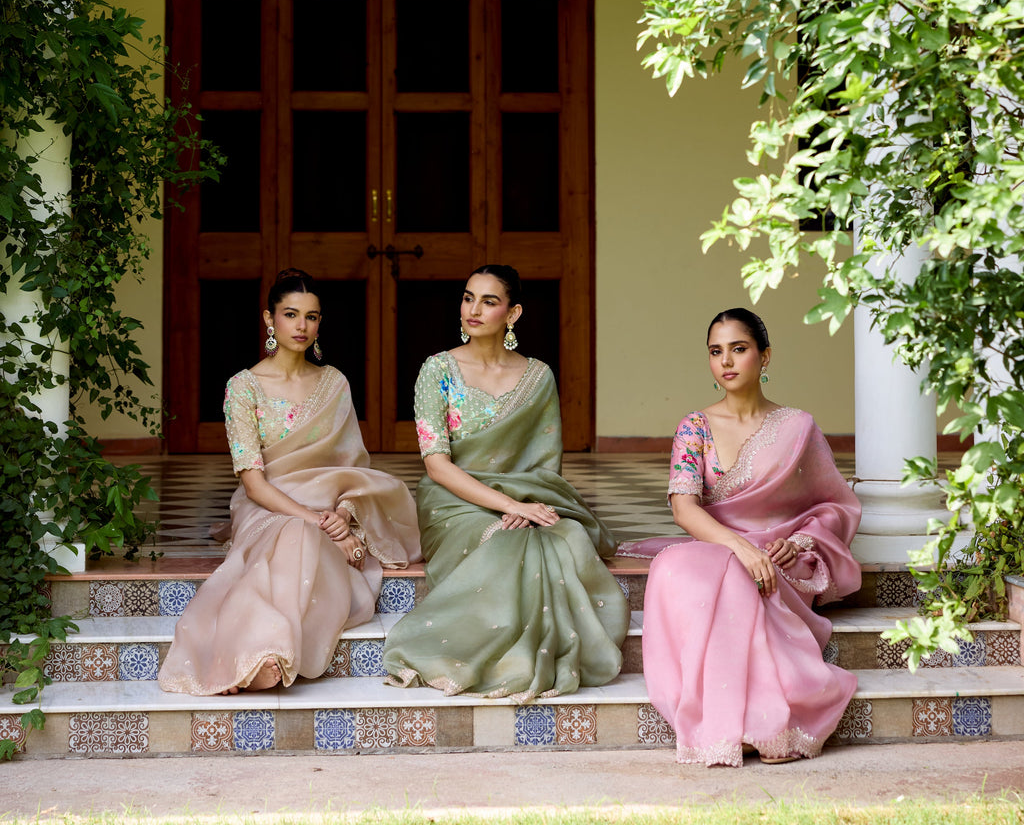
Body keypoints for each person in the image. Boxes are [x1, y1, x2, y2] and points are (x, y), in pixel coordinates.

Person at [158, 268, 420, 696]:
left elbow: (353, 468)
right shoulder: (244, 388)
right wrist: (318, 522)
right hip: (265, 503)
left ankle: (267, 653)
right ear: (269, 319)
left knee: (301, 538)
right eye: (291, 314)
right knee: (295, 533)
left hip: (323, 505)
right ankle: (251, 654)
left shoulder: (334, 383)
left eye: (312, 317)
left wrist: (342, 515)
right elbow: (254, 484)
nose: (302, 326)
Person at [622, 308, 862, 766]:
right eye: (716, 352)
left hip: (779, 558)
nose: (726, 362)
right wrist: (739, 547)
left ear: (764, 356)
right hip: (720, 546)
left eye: (739, 349)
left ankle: (768, 721)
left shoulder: (798, 428)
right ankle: (736, 723)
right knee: (674, 566)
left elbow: (834, 505)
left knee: (740, 577)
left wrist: (802, 542)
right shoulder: (695, 427)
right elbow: (683, 506)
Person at [382, 264, 628, 700]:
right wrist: (509, 507)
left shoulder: (538, 377)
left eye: (488, 301)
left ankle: (529, 655)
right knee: (509, 538)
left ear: (512, 314)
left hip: (524, 495)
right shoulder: (436, 370)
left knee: (559, 536)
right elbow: (436, 465)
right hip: (451, 500)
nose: (473, 310)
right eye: (468, 297)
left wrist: (525, 503)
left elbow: (543, 466)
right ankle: (500, 658)